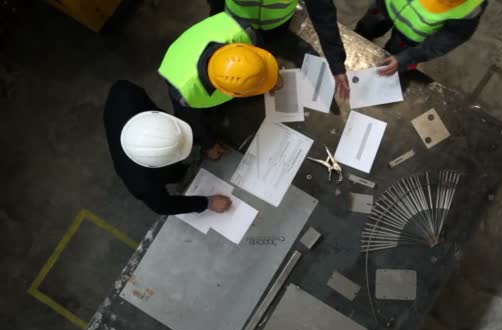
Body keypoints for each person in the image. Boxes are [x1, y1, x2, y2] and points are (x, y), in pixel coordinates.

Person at [158, 12, 281, 160]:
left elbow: (260, 54)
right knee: (206, 120)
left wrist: (271, 75)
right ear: (231, 93)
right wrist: (208, 144)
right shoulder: (186, 92)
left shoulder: (243, 31)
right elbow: (193, 120)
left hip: (198, 40)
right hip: (176, 65)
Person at [103, 80, 232, 215]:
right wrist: (207, 203)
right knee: (174, 174)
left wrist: (207, 143)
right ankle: (178, 173)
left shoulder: (124, 93)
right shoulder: (142, 184)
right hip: (149, 170)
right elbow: (165, 206)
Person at [207, 0, 351, 99]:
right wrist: (218, 23)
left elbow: (322, 12)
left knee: (263, 59)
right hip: (235, 23)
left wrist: (336, 63)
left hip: (275, 27)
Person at [355, 0, 487, 76]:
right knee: (360, 35)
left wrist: (408, 57)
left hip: (410, 39)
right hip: (384, 6)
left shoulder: (472, 6)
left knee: (389, 65)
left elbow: (452, 35)